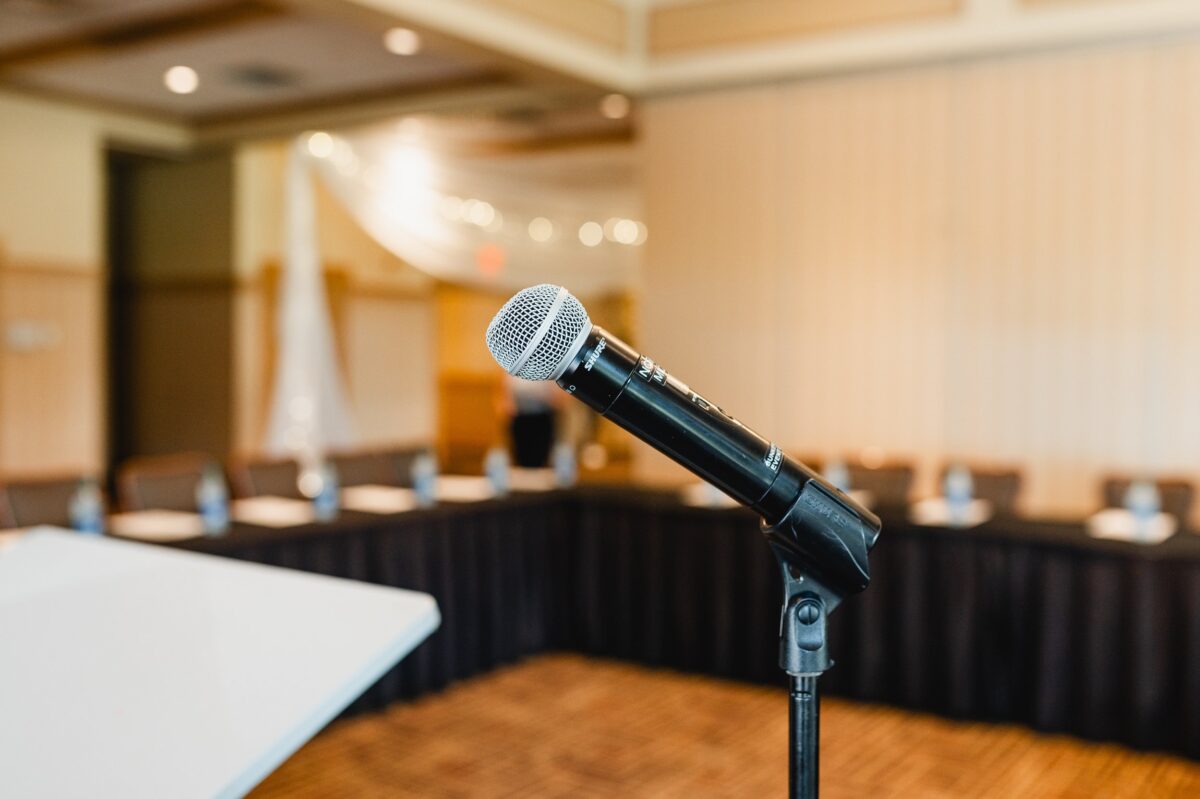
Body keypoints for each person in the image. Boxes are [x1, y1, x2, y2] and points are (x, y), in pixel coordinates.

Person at [499, 374, 560, 467]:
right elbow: (505, 396)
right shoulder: (512, 368)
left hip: (543, 419)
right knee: (520, 457)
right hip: (520, 419)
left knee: (542, 458)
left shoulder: (546, 367)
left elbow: (558, 399)